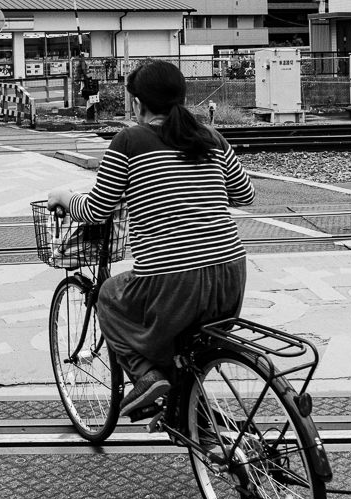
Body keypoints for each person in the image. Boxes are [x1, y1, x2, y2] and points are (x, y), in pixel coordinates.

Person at [47, 60, 255, 417]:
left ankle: (145, 377)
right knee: (188, 354)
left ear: (138, 103)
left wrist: (63, 196)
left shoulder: (128, 141)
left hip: (173, 284)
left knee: (110, 296)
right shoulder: (210, 137)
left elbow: (97, 209)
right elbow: (245, 195)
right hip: (230, 277)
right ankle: (191, 421)